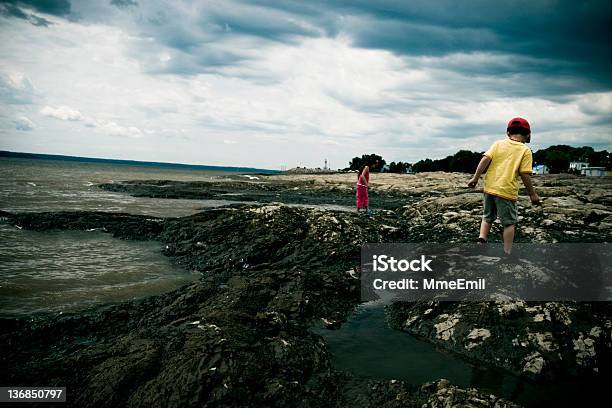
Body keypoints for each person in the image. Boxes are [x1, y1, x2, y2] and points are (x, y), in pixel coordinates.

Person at [467, 117, 541, 256]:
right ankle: (507, 253)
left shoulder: (498, 144)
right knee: (509, 223)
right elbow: (525, 174)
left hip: (489, 187)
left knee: (487, 216)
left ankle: (482, 239)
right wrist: (532, 194)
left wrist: (475, 178)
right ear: (528, 134)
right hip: (506, 191)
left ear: (508, 133)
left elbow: (485, 160)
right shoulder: (525, 151)